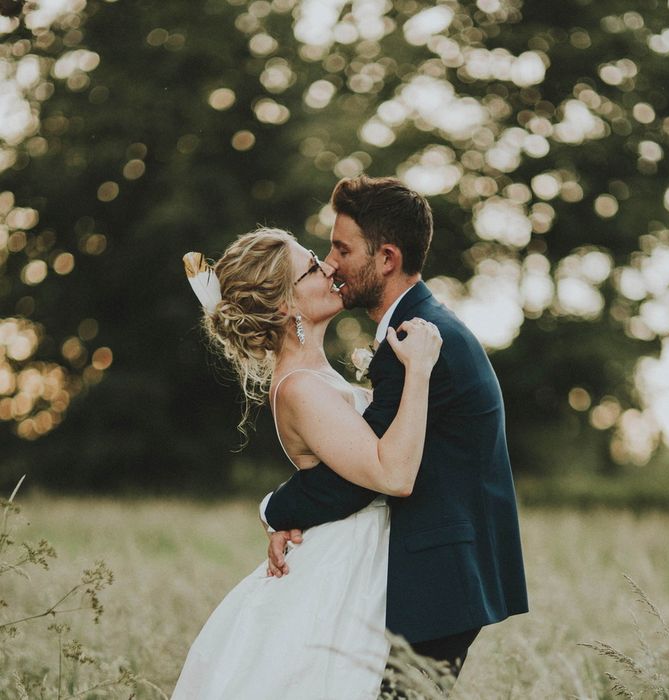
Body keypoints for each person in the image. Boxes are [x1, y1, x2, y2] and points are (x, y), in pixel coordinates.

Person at [262, 176, 528, 685]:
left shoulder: (416, 342)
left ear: (386, 258)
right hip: (440, 570)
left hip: (440, 577)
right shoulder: (419, 330)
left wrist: (275, 510)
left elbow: (362, 476)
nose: (330, 262)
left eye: (342, 248)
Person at [173, 228, 442, 699]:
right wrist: (418, 371)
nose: (330, 268)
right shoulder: (298, 387)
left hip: (364, 553)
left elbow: (336, 473)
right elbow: (393, 475)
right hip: (341, 568)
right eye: (312, 266)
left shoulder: (317, 375)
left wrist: (278, 509)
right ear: (284, 306)